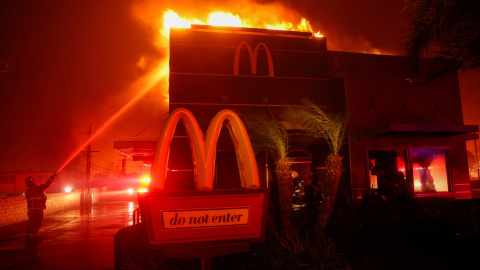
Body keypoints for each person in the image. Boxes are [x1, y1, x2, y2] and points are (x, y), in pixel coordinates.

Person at [25, 173, 57, 242]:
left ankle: (29, 236)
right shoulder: (36, 189)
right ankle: (33, 237)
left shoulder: (28, 190)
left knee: (31, 224)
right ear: (32, 182)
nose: (36, 182)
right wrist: (52, 177)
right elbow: (46, 185)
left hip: (32, 210)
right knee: (36, 224)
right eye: (35, 181)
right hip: (37, 210)